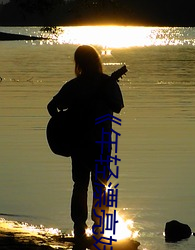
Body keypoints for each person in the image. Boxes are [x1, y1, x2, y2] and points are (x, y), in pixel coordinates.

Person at [47, 45, 124, 245]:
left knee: (80, 185)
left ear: (79, 63)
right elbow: (118, 107)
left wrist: (63, 122)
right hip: (101, 142)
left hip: (78, 143)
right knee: (100, 186)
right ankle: (98, 230)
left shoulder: (74, 85)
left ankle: (79, 229)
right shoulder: (107, 83)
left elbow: (51, 106)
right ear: (97, 61)